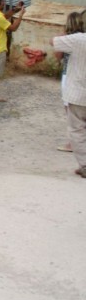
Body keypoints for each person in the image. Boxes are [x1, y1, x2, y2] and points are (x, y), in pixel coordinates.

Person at [52, 15, 86, 178]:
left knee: (76, 129)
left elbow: (54, 42)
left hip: (77, 91)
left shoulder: (77, 39)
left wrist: (64, 32)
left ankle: (85, 165)